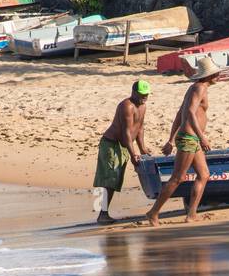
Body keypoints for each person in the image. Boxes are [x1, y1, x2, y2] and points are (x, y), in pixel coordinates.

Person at [143, 56, 221, 227]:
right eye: (215, 73)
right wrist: (203, 138)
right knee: (178, 178)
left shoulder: (196, 88)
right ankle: (153, 212)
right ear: (207, 75)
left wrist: (170, 140)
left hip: (191, 138)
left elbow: (180, 113)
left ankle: (191, 214)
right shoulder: (199, 88)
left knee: (204, 174)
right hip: (189, 138)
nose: (218, 75)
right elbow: (190, 113)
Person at [94, 80, 153, 225]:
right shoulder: (126, 106)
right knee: (108, 179)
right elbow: (126, 132)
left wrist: (142, 148)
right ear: (134, 92)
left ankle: (103, 213)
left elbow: (139, 128)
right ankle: (102, 214)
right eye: (142, 94)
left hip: (124, 145)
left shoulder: (143, 106)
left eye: (146, 95)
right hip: (111, 144)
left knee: (115, 179)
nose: (144, 97)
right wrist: (133, 154)